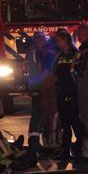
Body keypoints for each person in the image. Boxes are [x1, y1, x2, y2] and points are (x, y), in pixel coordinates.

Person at [52, 29, 86, 160]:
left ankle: (79, 148)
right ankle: (65, 150)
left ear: (65, 40)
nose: (56, 43)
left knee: (75, 122)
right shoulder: (60, 55)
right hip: (61, 92)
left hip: (73, 93)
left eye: (58, 40)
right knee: (65, 124)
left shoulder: (76, 54)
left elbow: (78, 73)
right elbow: (54, 71)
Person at [25, 32, 49, 161]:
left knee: (39, 112)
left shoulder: (31, 52)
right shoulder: (36, 52)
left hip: (35, 85)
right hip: (38, 86)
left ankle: (35, 139)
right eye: (42, 40)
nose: (43, 43)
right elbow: (40, 69)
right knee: (38, 113)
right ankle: (34, 141)